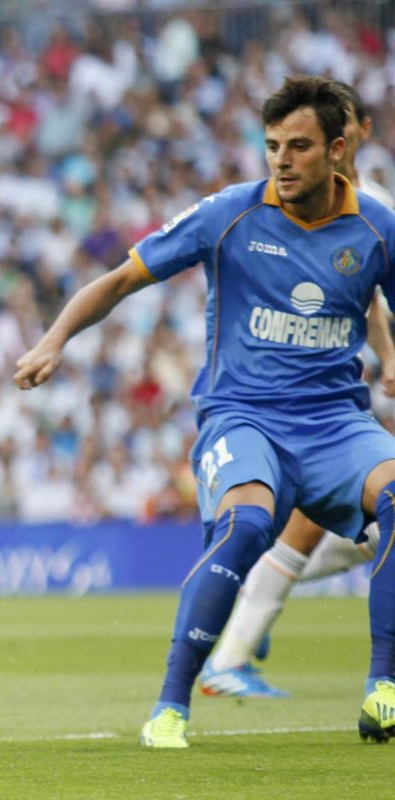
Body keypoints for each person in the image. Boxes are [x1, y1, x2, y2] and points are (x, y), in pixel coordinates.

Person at [14, 75, 395, 749]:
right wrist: (54, 339)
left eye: (298, 146)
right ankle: (171, 706)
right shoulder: (229, 214)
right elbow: (122, 278)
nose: (280, 160)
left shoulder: (377, 227)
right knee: (247, 524)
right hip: (244, 417)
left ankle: (383, 687)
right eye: (272, 145)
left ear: (337, 150)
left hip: (336, 424)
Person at [200, 78, 395, 699]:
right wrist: (387, 357)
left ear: (354, 135)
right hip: (330, 387)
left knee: (364, 529)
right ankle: (231, 649)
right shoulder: (285, 206)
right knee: (319, 521)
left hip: (353, 379)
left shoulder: (375, 208)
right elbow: (366, 307)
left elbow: (369, 296)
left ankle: (240, 608)